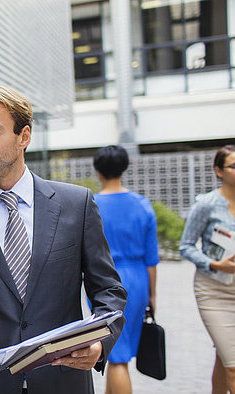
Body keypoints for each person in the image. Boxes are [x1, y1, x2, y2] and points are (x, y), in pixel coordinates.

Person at [0, 84, 127, 394]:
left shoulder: (76, 204)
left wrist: (99, 344)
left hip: (63, 380)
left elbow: (108, 290)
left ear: (24, 136)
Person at [92, 145, 159, 394]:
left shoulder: (92, 205)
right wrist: (152, 294)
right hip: (138, 278)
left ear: (97, 170)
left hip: (105, 281)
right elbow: (152, 257)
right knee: (118, 353)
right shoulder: (142, 204)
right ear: (124, 168)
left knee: (117, 355)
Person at [180, 144, 235, 394]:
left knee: (226, 359)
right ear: (219, 171)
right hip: (214, 291)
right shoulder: (207, 204)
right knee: (234, 364)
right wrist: (213, 263)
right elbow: (186, 246)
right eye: (233, 166)